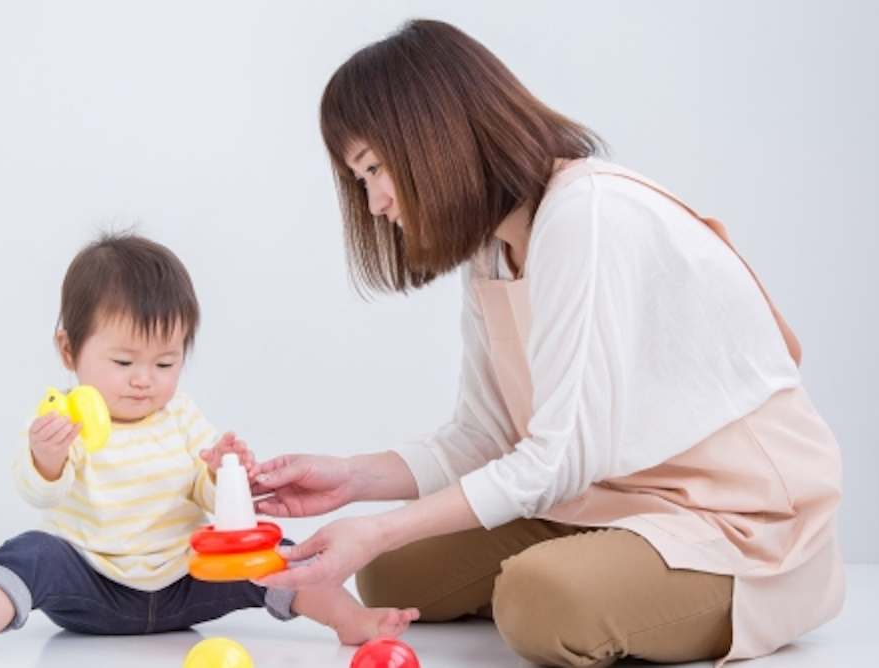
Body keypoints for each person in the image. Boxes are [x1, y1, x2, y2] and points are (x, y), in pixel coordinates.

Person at [251, 19, 843, 668]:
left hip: (736, 518)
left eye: (373, 169)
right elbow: (485, 436)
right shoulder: (494, 248)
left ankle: (768, 591)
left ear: (431, 138)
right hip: (603, 500)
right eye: (359, 180)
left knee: (536, 603)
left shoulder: (586, 214)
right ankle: (600, 559)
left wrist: (382, 526)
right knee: (390, 574)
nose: (374, 203)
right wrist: (352, 479)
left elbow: (558, 456)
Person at [0, 232, 417, 667]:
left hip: (187, 580)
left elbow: (206, 496)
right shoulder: (61, 421)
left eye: (164, 364)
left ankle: (349, 619)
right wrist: (46, 457)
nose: (143, 381)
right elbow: (40, 491)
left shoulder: (182, 417)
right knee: (31, 553)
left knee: (268, 551)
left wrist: (224, 474)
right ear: (69, 351)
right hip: (93, 588)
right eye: (124, 360)